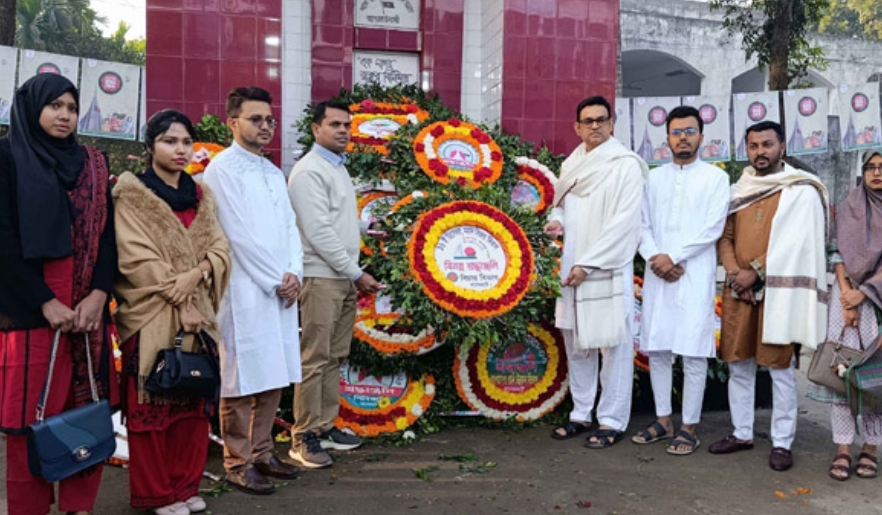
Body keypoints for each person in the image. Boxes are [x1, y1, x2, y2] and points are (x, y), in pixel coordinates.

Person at [0, 73, 118, 515]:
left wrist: (99, 294)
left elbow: (108, 236)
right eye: (55, 106)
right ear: (33, 108)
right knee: (29, 420)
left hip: (87, 311)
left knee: (85, 417)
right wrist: (44, 301)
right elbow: (3, 240)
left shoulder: (93, 163)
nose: (65, 115)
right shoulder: (6, 157)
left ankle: (78, 507)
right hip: (31, 312)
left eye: (71, 107)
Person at [113, 110, 231, 515]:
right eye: (169, 141)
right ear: (150, 147)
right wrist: (182, 301)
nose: (180, 150)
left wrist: (197, 275)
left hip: (200, 311)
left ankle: (185, 486)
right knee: (152, 404)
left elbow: (220, 248)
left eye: (185, 142)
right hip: (152, 312)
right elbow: (136, 257)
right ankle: (157, 494)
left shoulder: (202, 196)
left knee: (192, 404)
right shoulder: (131, 195)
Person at [710, 121, 828, 471]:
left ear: (782, 147)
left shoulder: (800, 190)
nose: (760, 152)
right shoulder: (739, 190)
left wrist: (756, 272)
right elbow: (725, 237)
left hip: (780, 292)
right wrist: (736, 275)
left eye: (767, 144)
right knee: (739, 365)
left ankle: (781, 442)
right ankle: (741, 432)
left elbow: (797, 243)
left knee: (780, 368)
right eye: (753, 146)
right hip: (739, 290)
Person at [203, 87, 303, 494]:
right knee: (241, 377)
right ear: (233, 122)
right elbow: (236, 235)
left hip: (281, 290)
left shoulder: (272, 171)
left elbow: (290, 228)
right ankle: (238, 461)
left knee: (273, 373)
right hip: (244, 289)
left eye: (270, 120)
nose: (265, 126)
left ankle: (263, 452)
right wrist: (277, 280)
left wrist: (295, 272)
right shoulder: (221, 169)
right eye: (256, 119)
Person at [545, 96, 648, 448]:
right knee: (576, 343)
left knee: (613, 345)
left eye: (601, 120)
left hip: (605, 266)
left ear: (611, 124)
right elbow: (560, 206)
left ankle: (612, 420)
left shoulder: (626, 165)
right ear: (577, 127)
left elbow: (625, 222)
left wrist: (588, 264)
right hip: (571, 266)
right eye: (588, 121)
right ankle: (581, 413)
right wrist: (556, 223)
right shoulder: (571, 163)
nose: (595, 126)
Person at [287, 101, 384, 468]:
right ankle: (303, 436)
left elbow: (336, 221)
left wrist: (366, 228)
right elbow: (318, 231)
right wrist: (355, 273)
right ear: (316, 129)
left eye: (347, 124)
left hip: (340, 276)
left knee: (334, 356)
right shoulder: (309, 170)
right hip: (321, 276)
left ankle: (325, 426)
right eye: (334, 124)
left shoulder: (336, 167)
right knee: (314, 358)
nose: (343, 130)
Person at [632, 106, 730, 455]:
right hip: (658, 273)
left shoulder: (715, 178)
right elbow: (641, 224)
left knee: (693, 352)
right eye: (676, 132)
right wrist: (655, 257)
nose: (683, 138)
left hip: (694, 273)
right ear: (667, 138)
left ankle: (689, 426)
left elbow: (713, 228)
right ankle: (663, 420)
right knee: (658, 348)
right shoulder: (653, 178)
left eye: (689, 131)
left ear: (701, 136)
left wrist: (673, 257)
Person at [807, 149, 882, 481]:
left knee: (875, 379)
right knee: (841, 372)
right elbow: (837, 251)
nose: (877, 173)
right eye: (871, 167)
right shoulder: (851, 205)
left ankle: (870, 448)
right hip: (845, 299)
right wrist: (848, 297)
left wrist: (864, 293)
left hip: (878, 302)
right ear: (862, 173)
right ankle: (842, 448)